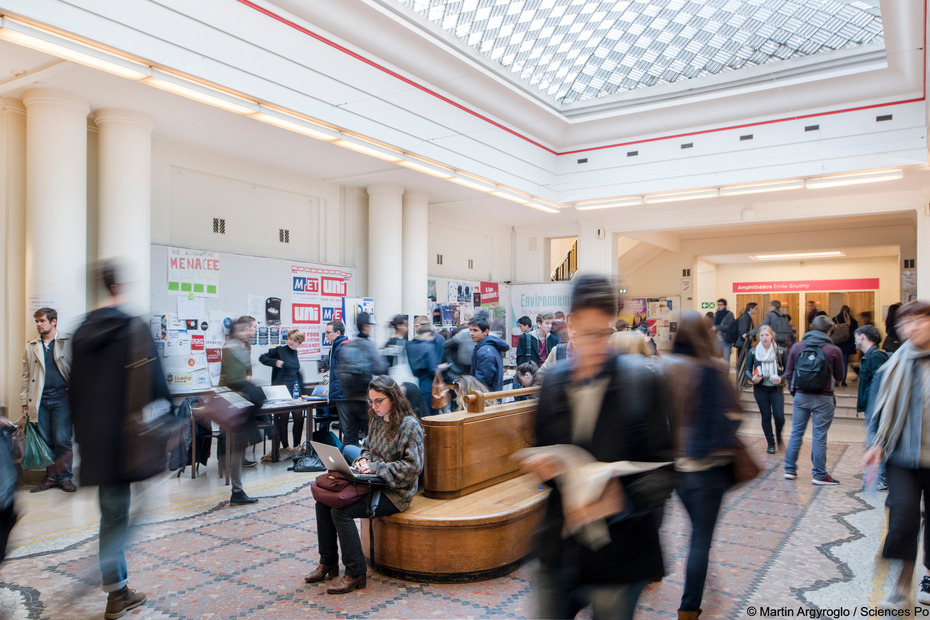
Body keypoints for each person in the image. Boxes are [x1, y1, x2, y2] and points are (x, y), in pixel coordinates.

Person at [524, 274, 675, 620]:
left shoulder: (643, 381)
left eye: (603, 335)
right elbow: (544, 450)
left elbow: (666, 470)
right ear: (570, 324)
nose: (594, 348)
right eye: (584, 334)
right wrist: (545, 469)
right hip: (559, 549)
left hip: (621, 552)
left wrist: (620, 499)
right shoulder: (553, 384)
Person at [69, 261, 171, 619]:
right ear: (119, 287)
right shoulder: (134, 327)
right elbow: (158, 386)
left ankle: (116, 588)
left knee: (111, 513)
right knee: (136, 512)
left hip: (94, 441)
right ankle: (112, 578)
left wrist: (80, 439)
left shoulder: (79, 333)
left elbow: (73, 391)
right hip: (130, 441)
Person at [305, 375, 424, 594]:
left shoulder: (409, 426)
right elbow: (367, 448)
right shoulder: (377, 419)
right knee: (323, 503)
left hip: (396, 492)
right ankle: (328, 562)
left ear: (394, 398)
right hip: (372, 483)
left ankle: (356, 572)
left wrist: (377, 468)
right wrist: (362, 460)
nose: (374, 406)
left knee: (341, 512)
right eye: (371, 401)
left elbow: (412, 468)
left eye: (379, 400)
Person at [664, 311, 743, 620]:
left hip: (676, 469)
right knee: (700, 540)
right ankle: (688, 608)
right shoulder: (712, 368)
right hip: (708, 470)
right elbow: (734, 416)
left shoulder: (665, 367)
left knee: (692, 530)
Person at [862, 301, 930, 609]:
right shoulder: (894, 363)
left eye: (918, 321)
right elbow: (883, 409)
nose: (910, 329)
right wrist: (877, 443)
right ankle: (903, 583)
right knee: (902, 518)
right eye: (905, 324)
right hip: (901, 455)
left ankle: (927, 575)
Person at [783, 315, 845, 484]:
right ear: (829, 330)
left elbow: (788, 373)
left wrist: (794, 391)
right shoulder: (833, 350)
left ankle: (789, 470)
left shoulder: (797, 347)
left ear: (811, 328)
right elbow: (840, 376)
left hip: (801, 396)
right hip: (824, 398)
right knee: (819, 436)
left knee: (796, 432)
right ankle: (819, 475)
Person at [21, 307, 75, 493]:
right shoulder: (31, 346)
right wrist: (24, 403)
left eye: (42, 321)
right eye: (36, 321)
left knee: (62, 440)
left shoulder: (67, 341)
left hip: (62, 399)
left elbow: (78, 368)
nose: (38, 324)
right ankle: (50, 478)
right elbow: (26, 376)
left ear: (53, 322)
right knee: (46, 441)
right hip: (40, 400)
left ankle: (65, 478)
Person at [220, 316, 265, 504]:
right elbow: (233, 380)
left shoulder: (241, 347)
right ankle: (236, 491)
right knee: (235, 448)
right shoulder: (232, 348)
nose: (254, 330)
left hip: (237, 402)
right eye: (252, 328)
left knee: (237, 448)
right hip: (234, 403)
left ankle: (237, 490)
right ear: (244, 329)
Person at [259, 329, 306, 460]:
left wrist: (301, 392)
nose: (292, 342)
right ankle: (285, 447)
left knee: (298, 417)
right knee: (283, 419)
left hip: (293, 389)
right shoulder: (279, 350)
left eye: (295, 341)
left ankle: (297, 445)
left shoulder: (295, 353)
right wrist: (274, 362)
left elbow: (295, 372)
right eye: (290, 339)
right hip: (280, 389)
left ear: (299, 343)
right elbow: (262, 358)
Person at [855, 324, 890, 489]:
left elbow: (880, 382)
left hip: (876, 407)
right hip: (872, 406)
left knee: (875, 440)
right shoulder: (868, 356)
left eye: (856, 336)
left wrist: (871, 402)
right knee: (873, 439)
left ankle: (882, 478)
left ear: (862, 337)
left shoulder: (876, 356)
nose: (854, 340)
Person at [746, 325, 787, 454]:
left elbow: (788, 370)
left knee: (779, 416)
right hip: (760, 388)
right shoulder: (753, 352)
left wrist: (781, 378)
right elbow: (747, 369)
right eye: (762, 335)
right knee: (766, 415)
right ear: (759, 337)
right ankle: (770, 443)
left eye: (767, 335)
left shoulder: (780, 351)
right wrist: (752, 378)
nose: (764, 338)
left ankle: (779, 434)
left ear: (771, 336)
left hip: (776, 388)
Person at [406, 321, 440, 415]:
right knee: (431, 412)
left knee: (421, 411)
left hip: (415, 382)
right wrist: (441, 368)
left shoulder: (410, 345)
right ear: (428, 334)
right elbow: (433, 369)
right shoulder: (428, 347)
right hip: (428, 384)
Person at [469, 318, 510, 392]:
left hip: (486, 397)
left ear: (486, 332)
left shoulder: (485, 351)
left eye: (475, 330)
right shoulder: (490, 347)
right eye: (470, 330)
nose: (471, 333)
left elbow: (482, 381)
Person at [832, 305, 858, 387]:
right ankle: (843, 381)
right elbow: (855, 334)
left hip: (837, 344)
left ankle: (836, 380)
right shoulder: (853, 321)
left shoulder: (835, 319)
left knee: (836, 363)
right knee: (845, 363)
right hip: (847, 346)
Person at [734, 302, 758, 386]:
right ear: (751, 309)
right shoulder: (746, 317)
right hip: (743, 343)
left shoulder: (747, 317)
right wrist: (747, 336)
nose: (756, 310)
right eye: (756, 308)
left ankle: (744, 381)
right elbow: (743, 330)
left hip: (743, 343)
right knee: (744, 362)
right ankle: (743, 382)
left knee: (745, 362)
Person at [713, 298, 735, 367]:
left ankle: (725, 376)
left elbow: (729, 326)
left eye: (720, 305)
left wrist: (717, 327)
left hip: (726, 340)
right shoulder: (716, 314)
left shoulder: (729, 314)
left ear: (725, 305)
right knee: (716, 358)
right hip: (717, 339)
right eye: (718, 305)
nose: (719, 306)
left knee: (726, 359)